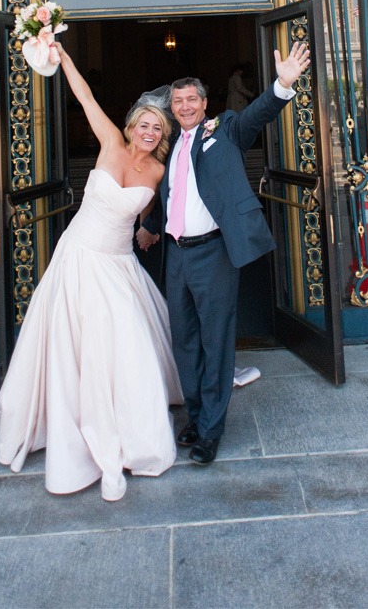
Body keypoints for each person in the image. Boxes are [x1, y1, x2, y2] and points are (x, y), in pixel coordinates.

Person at [0, 44, 182, 502]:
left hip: (119, 264)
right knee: (80, 348)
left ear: (164, 133)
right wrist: (65, 58)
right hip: (78, 258)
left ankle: (134, 434)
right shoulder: (110, 144)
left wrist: (149, 232)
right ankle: (80, 432)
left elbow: (151, 215)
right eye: (144, 125)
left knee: (125, 346)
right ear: (131, 125)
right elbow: (84, 97)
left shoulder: (159, 171)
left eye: (158, 127)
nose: (150, 132)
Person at [137, 42, 310, 465]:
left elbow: (258, 115)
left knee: (215, 344)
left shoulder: (225, 129)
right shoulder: (171, 145)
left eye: (191, 99)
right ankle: (195, 416)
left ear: (205, 102)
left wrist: (282, 85)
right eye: (177, 101)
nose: (184, 106)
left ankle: (210, 431)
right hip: (176, 256)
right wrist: (149, 226)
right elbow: (170, 194)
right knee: (186, 343)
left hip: (213, 255)